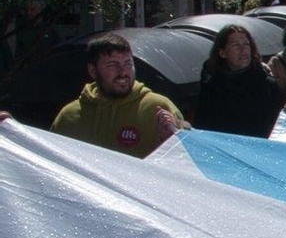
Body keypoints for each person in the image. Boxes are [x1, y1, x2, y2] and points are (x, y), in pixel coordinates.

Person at [51, 32, 185, 157]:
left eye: (128, 64)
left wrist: (171, 143)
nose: (123, 73)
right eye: (112, 65)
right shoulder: (68, 117)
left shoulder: (159, 108)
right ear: (92, 71)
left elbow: (188, 164)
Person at [194, 25, 282, 137]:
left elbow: (278, 129)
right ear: (222, 53)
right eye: (235, 45)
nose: (243, 49)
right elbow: (202, 127)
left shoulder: (267, 85)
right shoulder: (211, 87)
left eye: (246, 44)